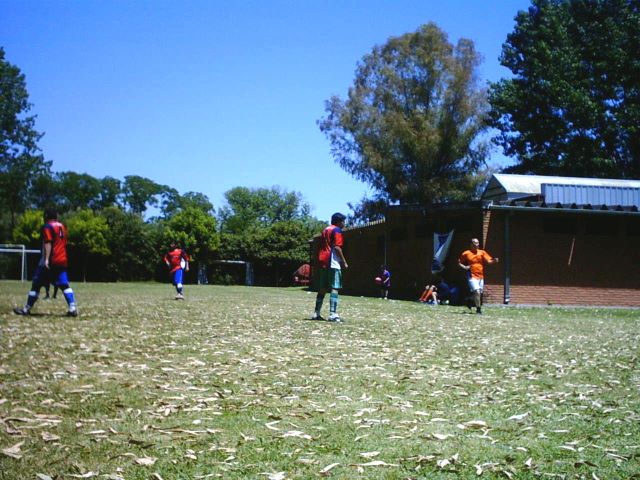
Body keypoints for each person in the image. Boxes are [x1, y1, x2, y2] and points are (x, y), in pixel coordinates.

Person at [13, 209, 78, 317]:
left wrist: (47, 259)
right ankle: (73, 308)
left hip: (52, 259)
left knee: (36, 284)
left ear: (46, 217)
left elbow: (48, 242)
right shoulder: (62, 226)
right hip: (62, 258)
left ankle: (26, 309)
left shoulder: (48, 226)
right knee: (64, 285)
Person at [312, 212, 348, 322]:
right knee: (335, 287)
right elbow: (337, 247)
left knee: (323, 287)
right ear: (339, 222)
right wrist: (344, 261)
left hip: (323, 261)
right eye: (343, 221)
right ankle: (333, 314)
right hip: (333, 262)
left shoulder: (325, 230)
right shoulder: (337, 230)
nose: (344, 224)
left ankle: (316, 313)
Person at [458, 237, 499, 315]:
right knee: (477, 292)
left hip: (480, 276)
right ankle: (478, 310)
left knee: (479, 293)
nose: (477, 244)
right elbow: (459, 263)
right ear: (471, 244)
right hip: (471, 276)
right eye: (475, 243)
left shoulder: (482, 252)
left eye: (478, 243)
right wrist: (465, 267)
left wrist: (494, 261)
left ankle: (469, 300)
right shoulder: (466, 253)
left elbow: (489, 261)